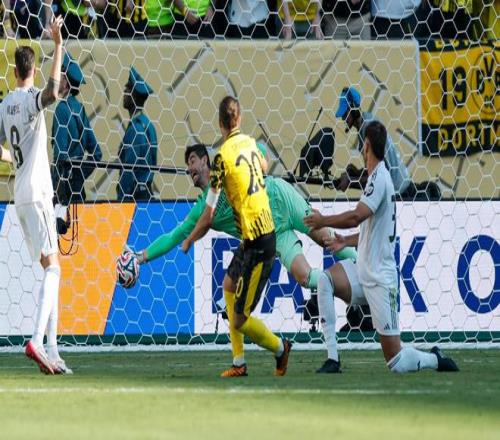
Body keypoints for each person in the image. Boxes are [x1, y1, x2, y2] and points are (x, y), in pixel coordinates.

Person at [128, 143, 356, 376]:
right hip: (273, 233)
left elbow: (260, 148)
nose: (189, 168)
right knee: (304, 278)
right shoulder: (202, 209)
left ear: (205, 160)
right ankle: (248, 358)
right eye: (187, 165)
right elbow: (173, 236)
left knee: (326, 239)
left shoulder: (227, 169)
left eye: (192, 160)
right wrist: (141, 257)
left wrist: (260, 166)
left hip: (279, 197)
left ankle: (362, 265)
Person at [304, 120, 459, 374]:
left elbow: (356, 216)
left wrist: (323, 221)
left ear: (366, 145)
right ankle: (332, 358)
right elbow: (372, 230)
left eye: (362, 145)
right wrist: (346, 241)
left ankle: (435, 359)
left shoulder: (380, 179)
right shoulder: (375, 178)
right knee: (325, 280)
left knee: (396, 362)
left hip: (380, 280)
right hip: (363, 271)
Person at [181, 96, 292, 375]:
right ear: (239, 119)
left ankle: (281, 348)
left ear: (220, 124)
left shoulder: (221, 159)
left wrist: (189, 240)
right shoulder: (251, 144)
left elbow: (208, 216)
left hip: (259, 241)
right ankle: (239, 362)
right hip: (253, 235)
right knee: (228, 286)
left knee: (240, 319)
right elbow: (264, 167)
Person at [0, 17, 73, 375]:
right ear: (33, 70)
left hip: (20, 193)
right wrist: (58, 44)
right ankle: (37, 341)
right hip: (38, 191)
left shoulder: (4, 105)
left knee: (51, 267)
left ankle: (53, 351)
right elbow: (54, 92)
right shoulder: (31, 99)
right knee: (54, 270)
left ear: (14, 70)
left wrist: (14, 158)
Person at [334, 86, 415, 198]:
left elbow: (379, 176)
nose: (343, 119)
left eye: (345, 114)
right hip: (394, 190)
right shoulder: (366, 124)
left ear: (354, 109)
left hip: (399, 194)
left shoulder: (370, 129)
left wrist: (350, 181)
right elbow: (375, 170)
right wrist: (357, 173)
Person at [52, 52, 102, 209]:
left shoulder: (61, 109)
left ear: (66, 82)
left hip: (63, 192)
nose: (56, 78)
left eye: (60, 74)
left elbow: (60, 155)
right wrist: (79, 175)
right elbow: (97, 154)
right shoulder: (80, 109)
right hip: (78, 191)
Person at [117, 66, 157, 202]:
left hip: (135, 197)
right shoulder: (148, 125)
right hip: (145, 193)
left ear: (134, 96)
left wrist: (121, 199)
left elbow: (129, 169)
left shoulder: (136, 129)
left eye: (127, 89)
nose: (124, 92)